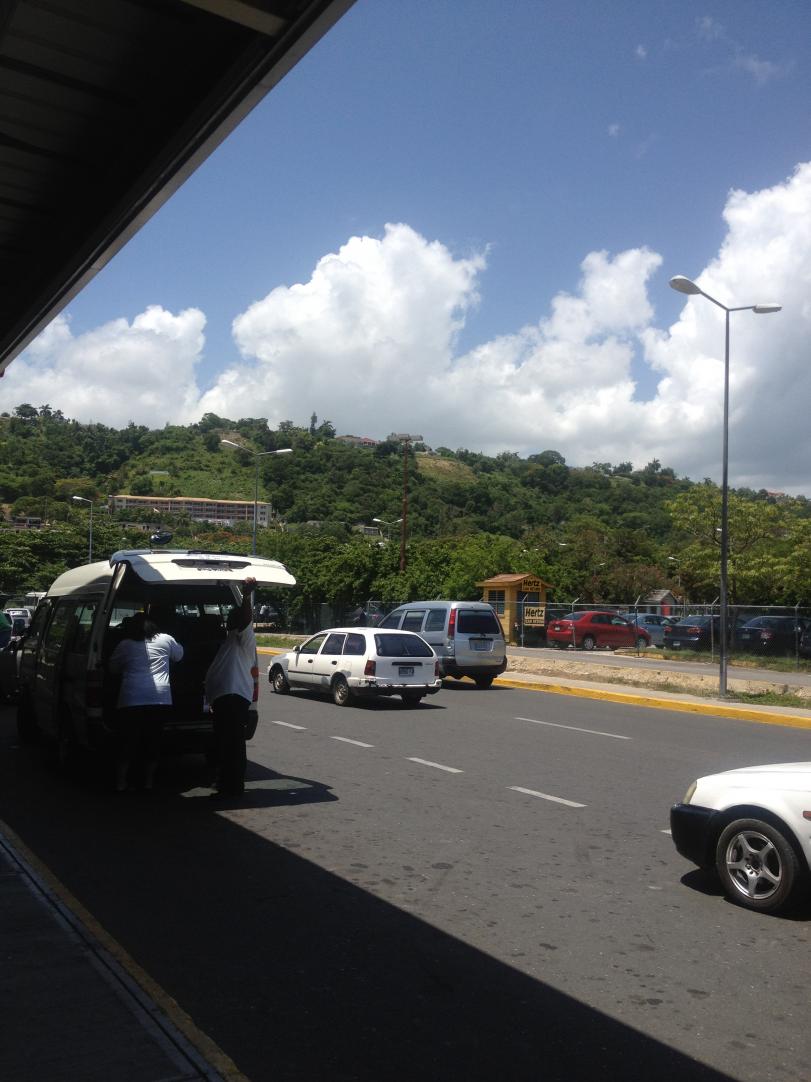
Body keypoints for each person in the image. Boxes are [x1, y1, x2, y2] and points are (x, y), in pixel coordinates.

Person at [108, 611, 183, 791]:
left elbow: (112, 668)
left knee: (127, 742)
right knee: (153, 741)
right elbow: (179, 656)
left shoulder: (125, 645)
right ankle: (148, 782)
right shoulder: (166, 639)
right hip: (159, 699)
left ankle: (121, 782)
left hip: (131, 698)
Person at [204, 577, 258, 798]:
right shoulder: (230, 640)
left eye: (230, 618)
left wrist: (246, 595)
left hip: (234, 698)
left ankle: (233, 786)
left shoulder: (243, 638)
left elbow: (246, 619)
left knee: (233, 745)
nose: (226, 621)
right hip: (224, 699)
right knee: (225, 744)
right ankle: (226, 782)